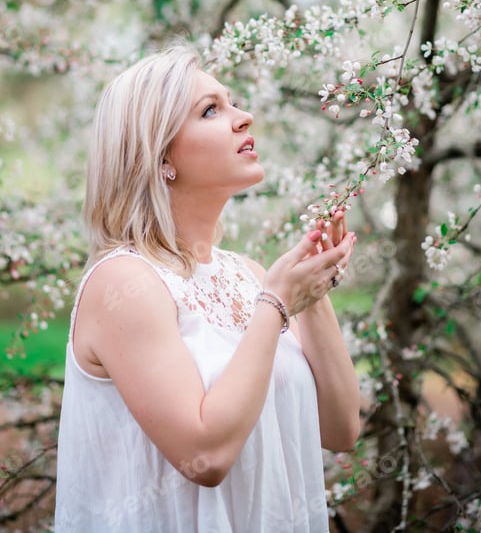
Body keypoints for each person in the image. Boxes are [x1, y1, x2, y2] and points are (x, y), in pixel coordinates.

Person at [54, 45, 360, 532]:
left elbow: (341, 427)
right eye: (211, 110)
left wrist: (313, 292)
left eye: (232, 102)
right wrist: (278, 305)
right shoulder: (125, 282)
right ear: (159, 156)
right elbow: (206, 455)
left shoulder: (252, 276)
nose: (244, 117)